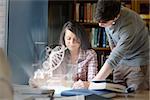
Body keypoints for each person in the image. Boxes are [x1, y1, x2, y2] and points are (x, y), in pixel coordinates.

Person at [74, 0, 149, 91]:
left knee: (136, 96)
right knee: (116, 93)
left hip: (138, 63)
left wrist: (92, 83)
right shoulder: (107, 15)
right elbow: (113, 46)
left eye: (104, 22)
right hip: (121, 62)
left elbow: (115, 57)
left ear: (116, 17)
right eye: (99, 21)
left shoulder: (129, 25)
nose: (100, 25)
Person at [29, 21, 98, 88]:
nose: (72, 42)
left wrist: (86, 84)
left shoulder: (90, 55)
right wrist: (38, 79)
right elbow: (47, 72)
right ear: (64, 39)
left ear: (81, 38)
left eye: (75, 39)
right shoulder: (58, 54)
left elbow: (93, 82)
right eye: (68, 39)